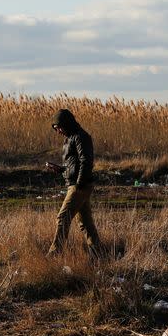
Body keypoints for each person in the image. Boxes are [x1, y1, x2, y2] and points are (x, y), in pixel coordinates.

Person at [45, 109, 102, 257]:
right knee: (85, 223)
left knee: (63, 217)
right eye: (56, 129)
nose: (58, 131)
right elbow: (73, 166)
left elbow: (86, 161)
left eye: (59, 128)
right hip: (77, 183)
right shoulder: (70, 137)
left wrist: (79, 184)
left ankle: (54, 255)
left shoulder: (81, 137)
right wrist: (60, 170)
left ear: (66, 123)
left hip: (80, 186)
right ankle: (98, 254)